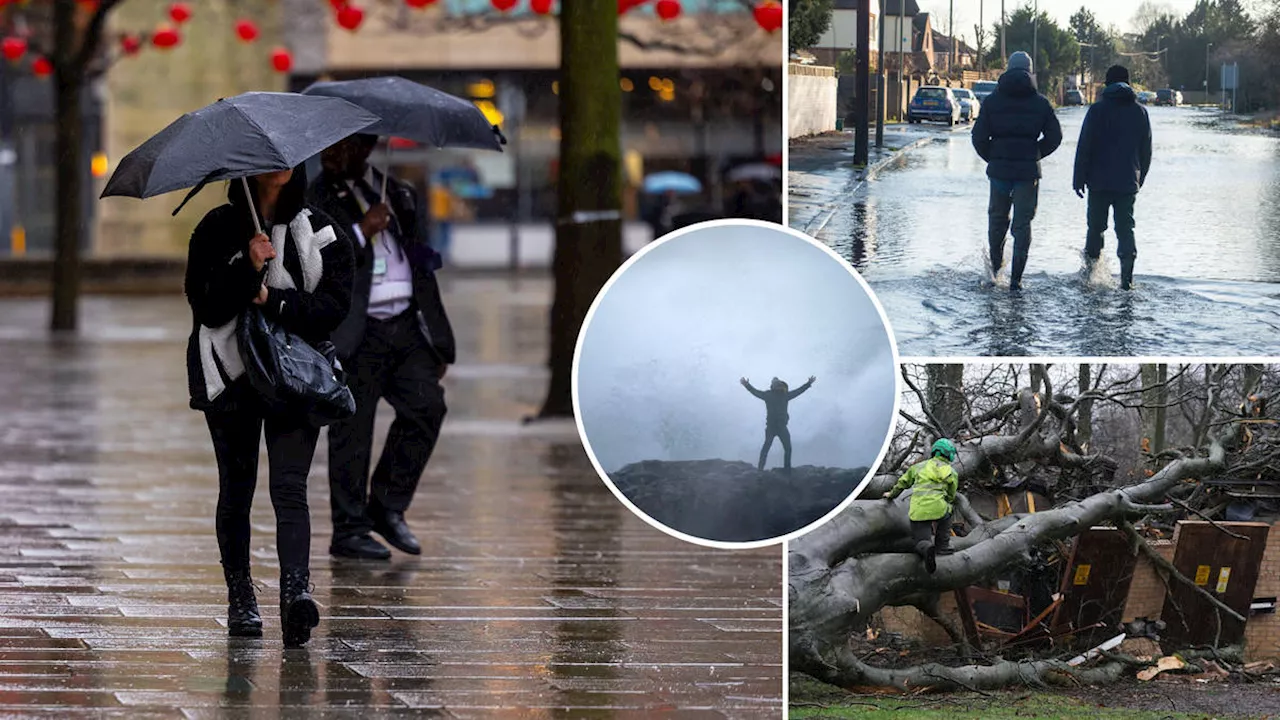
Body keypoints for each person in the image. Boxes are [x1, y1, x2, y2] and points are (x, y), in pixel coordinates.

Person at [184, 167, 354, 647]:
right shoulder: (217, 228)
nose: (280, 163)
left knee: (289, 486)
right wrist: (247, 268)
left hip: (296, 378)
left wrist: (271, 299)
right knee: (236, 489)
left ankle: (295, 594)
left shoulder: (322, 231)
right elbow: (206, 305)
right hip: (231, 374)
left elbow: (333, 310)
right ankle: (241, 598)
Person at [308, 134, 455, 561]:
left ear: (366, 148)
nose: (330, 154)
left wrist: (439, 340)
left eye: (342, 148)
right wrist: (361, 229)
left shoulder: (401, 193)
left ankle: (387, 506)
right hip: (358, 329)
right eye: (327, 147)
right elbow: (318, 259)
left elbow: (424, 265)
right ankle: (349, 529)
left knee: (427, 408)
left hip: (407, 325)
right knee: (353, 430)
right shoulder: (317, 197)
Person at [971, 51, 1063, 291]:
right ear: (1029, 72)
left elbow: (978, 137)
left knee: (997, 222)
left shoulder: (992, 101)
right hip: (1027, 175)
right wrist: (1034, 155)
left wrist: (994, 157)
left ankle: (995, 273)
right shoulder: (1041, 102)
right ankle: (1016, 280)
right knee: (1022, 226)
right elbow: (1055, 136)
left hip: (999, 172)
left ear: (1008, 70)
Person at [1073, 64, 1153, 290]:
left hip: (1098, 182)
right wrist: (1140, 178)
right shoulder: (1140, 112)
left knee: (1095, 229)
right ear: (1128, 84)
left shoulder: (1097, 110)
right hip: (1127, 182)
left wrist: (1078, 178)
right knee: (1125, 229)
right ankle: (1127, 281)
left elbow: (1084, 147)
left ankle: (1089, 277)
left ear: (1107, 84)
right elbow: (1146, 151)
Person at [882, 438, 959, 574]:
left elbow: (903, 483)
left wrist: (891, 495)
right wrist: (945, 501)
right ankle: (942, 546)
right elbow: (951, 496)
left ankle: (926, 547)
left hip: (919, 511)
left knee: (920, 541)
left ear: (934, 451)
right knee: (948, 512)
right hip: (939, 509)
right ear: (950, 455)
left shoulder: (918, 467)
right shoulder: (952, 472)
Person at [740, 376, 816, 472]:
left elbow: (755, 392)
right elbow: (799, 391)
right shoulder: (784, 395)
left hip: (774, 427)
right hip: (779, 427)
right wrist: (808, 384)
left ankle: (761, 469)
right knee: (784, 448)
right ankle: (785, 470)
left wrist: (747, 385)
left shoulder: (771, 395)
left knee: (768, 448)